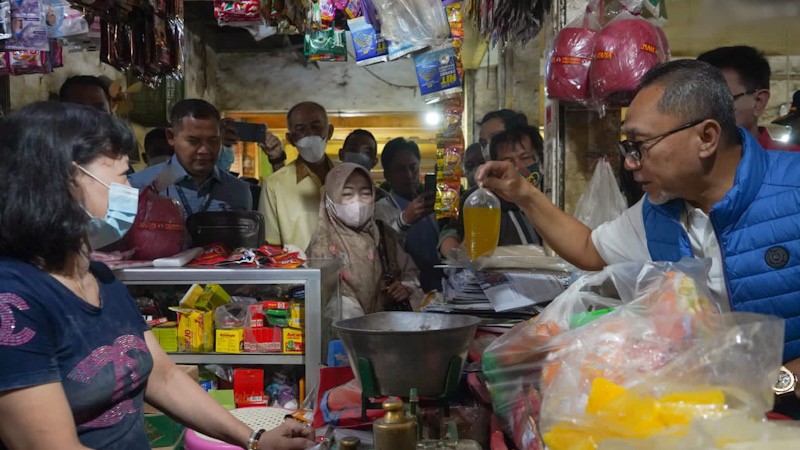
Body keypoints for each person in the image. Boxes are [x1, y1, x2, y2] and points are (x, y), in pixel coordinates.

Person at [0, 102, 315, 450]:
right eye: (121, 177)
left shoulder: (102, 279)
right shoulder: (13, 301)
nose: (130, 193)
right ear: (64, 181)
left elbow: (162, 376)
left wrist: (255, 439)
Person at [477, 59, 800, 365]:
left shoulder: (792, 190)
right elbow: (590, 250)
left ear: (706, 137)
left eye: (640, 144)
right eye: (627, 147)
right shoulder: (660, 211)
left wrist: (782, 380)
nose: (630, 162)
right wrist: (526, 195)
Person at [308, 163, 424, 317]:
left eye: (365, 193)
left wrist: (404, 287)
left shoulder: (384, 236)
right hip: (341, 338)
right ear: (330, 198)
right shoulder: (321, 245)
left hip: (384, 331)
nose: (358, 202)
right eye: (347, 194)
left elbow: (411, 273)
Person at [129, 99, 253, 214]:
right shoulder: (137, 186)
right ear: (171, 137)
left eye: (212, 141)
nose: (204, 150)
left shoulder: (238, 191)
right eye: (194, 141)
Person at [439, 126, 543, 258]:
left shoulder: (551, 199)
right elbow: (450, 236)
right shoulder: (484, 202)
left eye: (525, 158)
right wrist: (459, 256)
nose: (517, 166)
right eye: (508, 161)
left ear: (540, 160)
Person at [259, 101, 336, 250]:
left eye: (316, 127)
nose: (310, 134)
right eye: (301, 129)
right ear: (290, 139)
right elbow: (271, 247)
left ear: (330, 131)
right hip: (300, 272)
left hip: (349, 272)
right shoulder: (274, 185)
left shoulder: (350, 176)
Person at [697, 45, 800, 151]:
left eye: (720, 101)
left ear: (758, 102)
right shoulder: (686, 163)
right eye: (698, 102)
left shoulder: (793, 162)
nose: (705, 112)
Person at [374, 138, 441, 292]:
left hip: (439, 287)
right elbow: (382, 249)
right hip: (405, 290)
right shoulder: (380, 209)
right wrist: (404, 221)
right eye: (400, 169)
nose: (409, 174)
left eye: (413, 167)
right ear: (387, 175)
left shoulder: (431, 206)